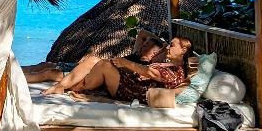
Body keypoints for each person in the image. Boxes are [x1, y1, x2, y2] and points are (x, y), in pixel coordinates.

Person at [46, 36, 192, 104]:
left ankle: (71, 86)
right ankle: (60, 87)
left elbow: (150, 73)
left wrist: (125, 63)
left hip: (134, 90)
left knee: (104, 65)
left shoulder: (177, 71)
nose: (167, 47)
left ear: (183, 50)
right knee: (93, 60)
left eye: (172, 45)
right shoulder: (168, 64)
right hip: (132, 81)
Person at [25, 30, 166, 86]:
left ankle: (16, 79)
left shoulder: (146, 66)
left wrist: (164, 47)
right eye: (144, 44)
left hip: (93, 72)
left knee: (49, 72)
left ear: (155, 53)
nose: (142, 46)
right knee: (46, 64)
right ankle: (14, 70)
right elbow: (142, 33)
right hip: (86, 66)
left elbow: (162, 57)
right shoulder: (136, 54)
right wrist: (159, 41)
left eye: (146, 46)